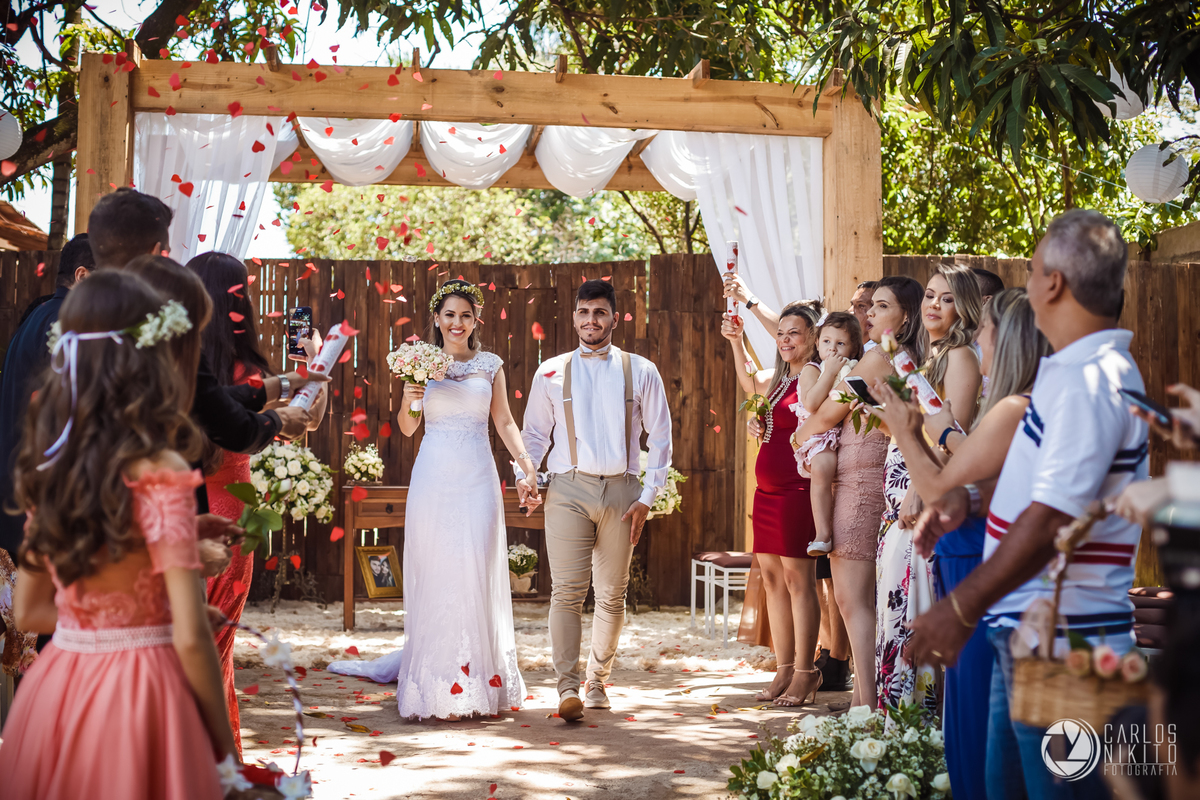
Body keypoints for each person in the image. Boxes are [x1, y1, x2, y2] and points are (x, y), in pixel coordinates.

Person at [908, 210, 1149, 800]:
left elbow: (1052, 521)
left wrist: (960, 607)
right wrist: (971, 499)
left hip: (1071, 655)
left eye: (1035, 267)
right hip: (1030, 642)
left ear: (1053, 284)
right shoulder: (1071, 374)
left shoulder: (1094, 377)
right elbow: (1047, 493)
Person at [0, 270, 232, 798]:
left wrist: (105, 614)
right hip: (142, 688)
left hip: (58, 690)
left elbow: (32, 611)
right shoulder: (160, 466)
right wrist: (227, 761)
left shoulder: (50, 468)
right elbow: (193, 636)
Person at [328, 279, 537, 720]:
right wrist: (410, 397)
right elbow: (406, 428)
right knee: (439, 570)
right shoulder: (419, 364)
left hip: (478, 477)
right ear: (437, 320)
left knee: (475, 567)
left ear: (475, 319)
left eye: (465, 315)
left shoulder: (491, 365)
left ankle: (480, 679)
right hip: (434, 476)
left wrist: (525, 463)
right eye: (449, 315)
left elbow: (503, 421)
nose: (457, 322)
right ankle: (437, 681)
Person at [870, 288, 1050, 800]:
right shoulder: (1023, 407)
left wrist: (907, 431)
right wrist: (967, 499)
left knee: (978, 748)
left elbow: (937, 486)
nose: (977, 339)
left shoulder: (1014, 408)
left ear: (1008, 341)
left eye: (985, 329)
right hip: (982, 570)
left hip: (989, 586)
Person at [89, 189, 317, 505]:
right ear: (157, 252)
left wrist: (277, 386)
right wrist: (279, 417)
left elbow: (203, 398)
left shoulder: (85, 322)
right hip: (149, 511)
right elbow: (217, 415)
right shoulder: (161, 332)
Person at [186, 251, 325, 756]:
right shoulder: (247, 369)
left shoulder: (174, 363)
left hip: (182, 516)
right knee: (214, 652)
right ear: (238, 298)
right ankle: (218, 765)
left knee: (181, 649)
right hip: (232, 518)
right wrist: (311, 364)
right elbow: (303, 421)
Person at [517, 279, 672, 722]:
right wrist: (526, 475)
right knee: (566, 591)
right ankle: (567, 687)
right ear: (574, 318)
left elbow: (660, 438)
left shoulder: (642, 371)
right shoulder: (550, 371)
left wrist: (647, 497)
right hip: (567, 489)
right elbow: (533, 435)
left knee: (612, 593)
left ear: (614, 318)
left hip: (623, 489)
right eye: (584, 313)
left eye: (600, 313)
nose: (591, 321)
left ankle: (597, 680)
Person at [790, 275, 924, 708]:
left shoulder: (879, 359)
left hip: (861, 485)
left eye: (880, 307)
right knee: (861, 599)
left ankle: (867, 704)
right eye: (868, 306)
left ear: (905, 318)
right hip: (864, 480)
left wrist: (800, 440)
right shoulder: (895, 356)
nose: (867, 314)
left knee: (852, 599)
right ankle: (864, 700)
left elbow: (825, 413)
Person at [874, 264, 982, 712]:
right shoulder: (926, 357)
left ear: (966, 307)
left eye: (947, 298)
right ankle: (893, 730)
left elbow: (953, 434)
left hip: (923, 497)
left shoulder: (960, 357)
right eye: (930, 296)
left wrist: (921, 493)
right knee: (892, 617)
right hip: (899, 491)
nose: (934, 305)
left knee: (912, 618)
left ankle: (915, 733)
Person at [722, 301, 825, 707]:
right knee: (772, 580)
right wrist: (735, 342)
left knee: (800, 581)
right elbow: (751, 382)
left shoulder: (813, 374)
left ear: (812, 337)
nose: (784, 340)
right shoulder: (783, 379)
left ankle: (806, 671)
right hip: (766, 493)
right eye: (780, 333)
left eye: (794, 333)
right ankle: (783, 667)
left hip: (797, 491)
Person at [0, 234, 94, 561]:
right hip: (41, 503)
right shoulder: (69, 324)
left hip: (16, 491)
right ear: (83, 276)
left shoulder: (39, 315)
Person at [796, 312, 865, 558]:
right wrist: (830, 372)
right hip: (820, 436)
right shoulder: (812, 369)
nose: (832, 349)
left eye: (840, 344)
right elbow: (813, 403)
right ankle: (822, 535)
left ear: (854, 347)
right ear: (816, 343)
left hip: (847, 434)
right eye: (826, 342)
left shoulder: (858, 368)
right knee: (823, 470)